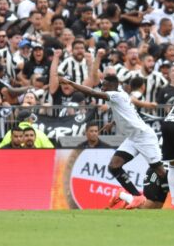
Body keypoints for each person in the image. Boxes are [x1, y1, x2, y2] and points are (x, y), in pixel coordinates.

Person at [59, 74, 166, 209]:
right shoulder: (121, 92)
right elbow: (125, 111)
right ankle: (137, 197)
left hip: (144, 137)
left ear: (112, 86)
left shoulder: (117, 95)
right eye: (102, 85)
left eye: (104, 85)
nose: (102, 88)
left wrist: (71, 83)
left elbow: (92, 92)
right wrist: (113, 122)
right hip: (133, 138)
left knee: (161, 173)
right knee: (114, 166)